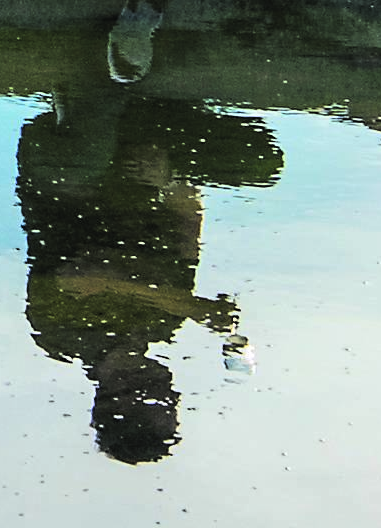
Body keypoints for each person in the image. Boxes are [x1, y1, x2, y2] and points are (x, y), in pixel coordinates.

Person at [19, 68, 275, 461]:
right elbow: (188, 223)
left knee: (83, 157)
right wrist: (168, 181)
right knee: (261, 164)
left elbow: (84, 273)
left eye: (155, 402)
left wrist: (187, 305)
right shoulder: (163, 323)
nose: (165, 390)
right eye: (170, 400)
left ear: (108, 402)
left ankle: (102, 81)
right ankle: (154, 97)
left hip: (70, 185)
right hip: (141, 182)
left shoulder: (59, 338)